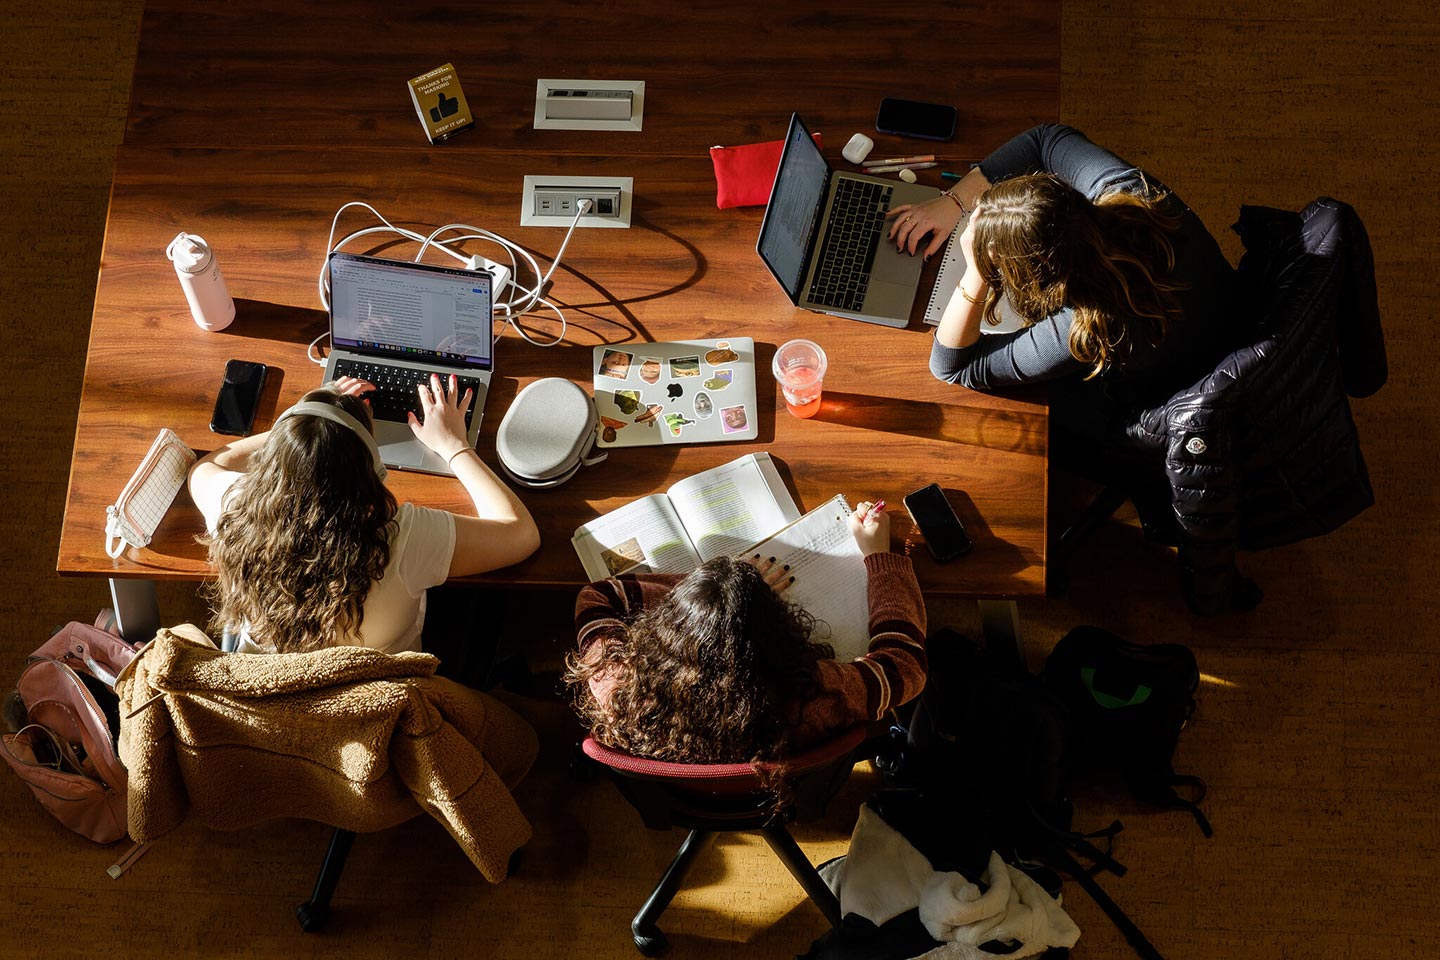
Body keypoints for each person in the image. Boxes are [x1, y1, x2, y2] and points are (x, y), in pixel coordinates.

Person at [888, 124, 1243, 442]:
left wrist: (976, 272)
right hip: (1231, 311)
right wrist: (953, 203)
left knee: (1028, 411)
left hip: (1181, 397)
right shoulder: (1128, 190)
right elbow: (1046, 139)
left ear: (1037, 279)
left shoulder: (1091, 327)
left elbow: (953, 366)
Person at [189, 373, 540, 655]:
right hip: (376, 693)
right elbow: (521, 534)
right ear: (372, 474)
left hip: (273, 694)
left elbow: (207, 466)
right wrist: (453, 445)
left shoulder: (234, 507)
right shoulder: (400, 539)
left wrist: (301, 425)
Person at [566, 502, 927, 768]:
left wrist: (705, 598)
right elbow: (903, 667)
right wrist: (880, 556)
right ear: (776, 632)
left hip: (689, 798)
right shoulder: (812, 694)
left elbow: (598, 596)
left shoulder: (616, 683)